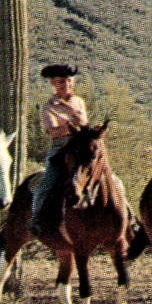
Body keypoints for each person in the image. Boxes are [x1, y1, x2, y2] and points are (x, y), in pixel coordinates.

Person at [30, 63, 88, 236]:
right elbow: (53, 132)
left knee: (105, 173)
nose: (67, 85)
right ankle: (36, 218)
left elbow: (84, 124)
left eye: (69, 81)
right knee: (47, 183)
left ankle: (128, 218)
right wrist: (70, 127)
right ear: (53, 85)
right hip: (60, 148)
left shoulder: (79, 101)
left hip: (81, 148)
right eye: (61, 82)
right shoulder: (49, 106)